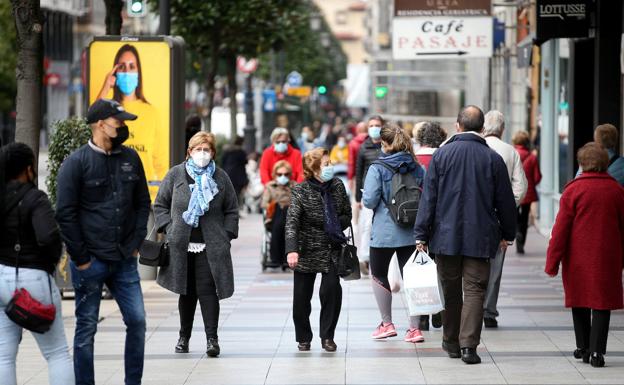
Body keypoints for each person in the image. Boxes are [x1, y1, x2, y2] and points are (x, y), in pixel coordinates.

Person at [55, 98, 150, 385]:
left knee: (138, 321)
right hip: (91, 262)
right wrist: (81, 258)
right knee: (85, 330)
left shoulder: (131, 159)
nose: (123, 127)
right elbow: (65, 214)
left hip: (124, 260)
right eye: (118, 121)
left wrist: (135, 243)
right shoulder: (76, 163)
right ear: (100, 124)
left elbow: (142, 203)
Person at [414, 106, 517, 365]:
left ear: (457, 125)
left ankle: (451, 342)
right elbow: (505, 201)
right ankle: (469, 346)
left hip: (445, 237)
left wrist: (421, 234)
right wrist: (508, 233)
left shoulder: (442, 156)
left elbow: (429, 198)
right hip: (480, 237)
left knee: (450, 290)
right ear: (482, 129)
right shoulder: (492, 159)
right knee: (474, 290)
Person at [154, 132, 239, 358]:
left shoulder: (220, 177)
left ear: (212, 153)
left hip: (211, 246)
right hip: (181, 245)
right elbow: (160, 205)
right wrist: (168, 228)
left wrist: (227, 234)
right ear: (189, 152)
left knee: (208, 291)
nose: (203, 154)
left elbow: (232, 209)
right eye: (198, 149)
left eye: (207, 150)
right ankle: (184, 337)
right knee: (186, 292)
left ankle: (212, 339)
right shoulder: (176, 175)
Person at [0, 143, 74, 385]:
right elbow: (48, 237)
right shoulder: (35, 198)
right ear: (28, 168)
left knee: (3, 356)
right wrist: (49, 264)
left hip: (1, 279)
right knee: (57, 353)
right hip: (33, 278)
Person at [545, 142, 624, 368]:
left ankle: (583, 346)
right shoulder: (617, 191)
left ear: (581, 163)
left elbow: (560, 230)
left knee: (579, 300)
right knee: (602, 303)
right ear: (604, 163)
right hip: (608, 258)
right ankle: (598, 352)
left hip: (578, 258)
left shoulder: (573, 190)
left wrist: (552, 263)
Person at [362, 125, 426, 343]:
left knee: (379, 275)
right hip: (412, 233)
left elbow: (369, 201)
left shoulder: (377, 168)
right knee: (414, 279)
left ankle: (387, 324)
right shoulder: (417, 167)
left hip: (384, 233)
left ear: (384, 144)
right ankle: (415, 329)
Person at [285, 148, 352, 352]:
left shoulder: (338, 186)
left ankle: (327, 336)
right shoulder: (300, 190)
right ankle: (304, 337)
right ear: (313, 169)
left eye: (329, 163)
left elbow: (347, 214)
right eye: (325, 164)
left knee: (331, 291)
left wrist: (334, 222)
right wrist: (291, 249)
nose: (330, 167)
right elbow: (292, 221)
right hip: (306, 247)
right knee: (302, 298)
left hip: (331, 247)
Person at [96, 44, 166, 200]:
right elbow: (93, 120)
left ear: (138, 73)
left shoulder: (151, 112)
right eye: (122, 67)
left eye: (132, 66)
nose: (127, 72)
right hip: (112, 196)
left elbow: (161, 163)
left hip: (145, 197)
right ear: (115, 72)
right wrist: (106, 86)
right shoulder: (108, 109)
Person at [482, 110, 527, 329]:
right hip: (499, 218)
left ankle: (470, 305)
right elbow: (521, 187)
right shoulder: (510, 152)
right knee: (495, 265)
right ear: (502, 129)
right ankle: (489, 310)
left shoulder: (475, 148)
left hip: (474, 216)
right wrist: (508, 207)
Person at [355, 116, 384, 275]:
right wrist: (358, 198)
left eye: (377, 125)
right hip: (368, 191)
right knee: (366, 225)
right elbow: (358, 173)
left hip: (386, 192)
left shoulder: (387, 145)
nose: (374, 128)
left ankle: (380, 257)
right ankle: (365, 258)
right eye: (371, 125)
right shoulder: (363, 147)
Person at [262, 160, 296, 267]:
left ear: (289, 175)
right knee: (279, 209)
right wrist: (276, 205)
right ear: (275, 174)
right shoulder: (270, 187)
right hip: (274, 217)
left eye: (286, 174)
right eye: (280, 174)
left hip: (291, 218)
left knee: (286, 210)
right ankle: (278, 257)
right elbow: (264, 204)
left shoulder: (295, 186)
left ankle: (279, 258)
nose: (283, 176)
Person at [512, 131, 541, 254]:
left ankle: (516, 232)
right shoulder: (532, 157)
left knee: (514, 217)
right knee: (524, 219)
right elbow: (537, 177)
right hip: (527, 193)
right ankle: (521, 244)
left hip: (513, 192)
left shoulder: (511, 155)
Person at [221, 136, 249, 208]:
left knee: (229, 192)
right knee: (236, 193)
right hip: (238, 176)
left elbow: (222, 162)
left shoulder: (227, 151)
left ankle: (230, 208)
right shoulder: (241, 152)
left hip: (228, 174)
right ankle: (234, 208)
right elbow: (245, 162)